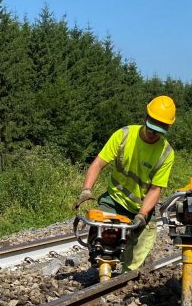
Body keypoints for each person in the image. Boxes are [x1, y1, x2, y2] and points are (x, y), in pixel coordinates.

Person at [75, 95, 176, 273]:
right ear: (146, 118)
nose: (153, 133)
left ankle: (125, 282)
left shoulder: (166, 153)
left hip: (141, 208)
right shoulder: (124, 135)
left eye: (159, 130)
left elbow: (155, 189)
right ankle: (100, 262)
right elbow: (98, 163)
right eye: (152, 127)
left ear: (167, 128)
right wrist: (86, 189)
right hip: (114, 200)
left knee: (133, 262)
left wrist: (142, 215)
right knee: (99, 232)